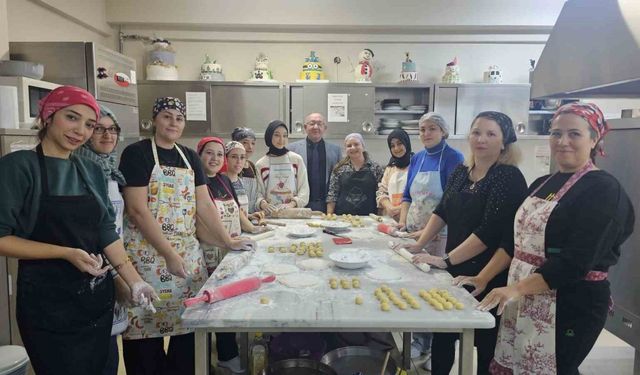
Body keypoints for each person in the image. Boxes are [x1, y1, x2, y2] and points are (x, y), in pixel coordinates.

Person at [458, 103, 634, 375]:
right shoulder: (542, 182)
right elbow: (512, 241)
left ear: (594, 138)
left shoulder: (603, 190)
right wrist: (483, 277)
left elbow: (575, 262)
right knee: (515, 367)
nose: (563, 142)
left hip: (570, 302)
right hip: (522, 299)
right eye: (556, 133)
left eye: (574, 134)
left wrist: (515, 289)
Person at [0, 86, 156, 375]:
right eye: (71, 118)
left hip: (95, 299)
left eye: (89, 125)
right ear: (48, 116)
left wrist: (134, 281)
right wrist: (65, 253)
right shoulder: (18, 167)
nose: (80, 131)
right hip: (47, 302)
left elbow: (105, 230)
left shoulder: (91, 169)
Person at [118, 97, 254, 375]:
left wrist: (228, 241)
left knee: (188, 333)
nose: (173, 123)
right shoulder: (137, 153)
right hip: (146, 257)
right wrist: (168, 253)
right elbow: (137, 209)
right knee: (145, 335)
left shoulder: (189, 156)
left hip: (187, 256)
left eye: (178, 118)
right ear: (154, 120)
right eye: (167, 116)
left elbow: (204, 206)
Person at [398, 111, 528, 375]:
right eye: (476, 132)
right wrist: (420, 244)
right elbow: (442, 211)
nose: (481, 139)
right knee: (444, 335)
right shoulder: (461, 171)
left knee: (484, 343)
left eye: (491, 134)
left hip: (488, 273)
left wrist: (445, 259)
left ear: (504, 141)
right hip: (454, 269)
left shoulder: (508, 177)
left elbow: (488, 232)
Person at [74, 105, 131, 375]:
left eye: (113, 129)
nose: (108, 135)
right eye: (99, 129)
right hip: (89, 274)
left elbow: (114, 225)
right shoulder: (78, 169)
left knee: (109, 354)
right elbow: (88, 232)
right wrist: (119, 275)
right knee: (93, 358)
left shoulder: (110, 172)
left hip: (111, 268)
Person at [399, 113, 464, 243]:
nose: (426, 133)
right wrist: (402, 222)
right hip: (411, 231)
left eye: (432, 128)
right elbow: (407, 196)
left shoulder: (453, 158)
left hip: (438, 235)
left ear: (443, 131)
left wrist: (427, 232)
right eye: (422, 129)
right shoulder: (417, 158)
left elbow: (453, 203)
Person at [288, 113, 342, 212]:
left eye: (319, 124)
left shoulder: (336, 150)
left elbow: (339, 180)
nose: (316, 127)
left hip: (326, 206)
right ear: (305, 127)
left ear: (325, 128)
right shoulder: (291, 149)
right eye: (312, 123)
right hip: (298, 204)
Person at [256, 120, 310, 213]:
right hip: (269, 215)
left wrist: (292, 204)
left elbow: (304, 189)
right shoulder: (261, 164)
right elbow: (257, 192)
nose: (281, 140)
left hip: (294, 213)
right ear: (269, 137)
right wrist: (262, 203)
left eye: (285, 136)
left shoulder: (296, 160)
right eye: (277, 135)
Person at [326, 133, 384, 215]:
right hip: (343, 218)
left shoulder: (375, 168)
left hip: (369, 218)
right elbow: (332, 195)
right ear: (346, 150)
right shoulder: (338, 169)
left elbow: (381, 195)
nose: (353, 148)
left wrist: (380, 217)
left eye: (356, 144)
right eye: (349, 146)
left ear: (363, 147)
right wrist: (329, 216)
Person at [376, 129, 412, 220]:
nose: (396, 148)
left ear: (406, 143)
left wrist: (402, 209)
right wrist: (389, 207)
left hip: (411, 218)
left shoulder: (416, 164)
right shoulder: (390, 168)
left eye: (400, 143)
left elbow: (420, 195)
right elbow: (382, 192)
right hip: (390, 218)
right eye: (392, 146)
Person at [231, 127, 261, 214]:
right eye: (245, 142)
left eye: (253, 143)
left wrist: (261, 203)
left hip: (252, 214)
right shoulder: (232, 167)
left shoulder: (252, 166)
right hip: (236, 214)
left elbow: (257, 193)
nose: (250, 147)